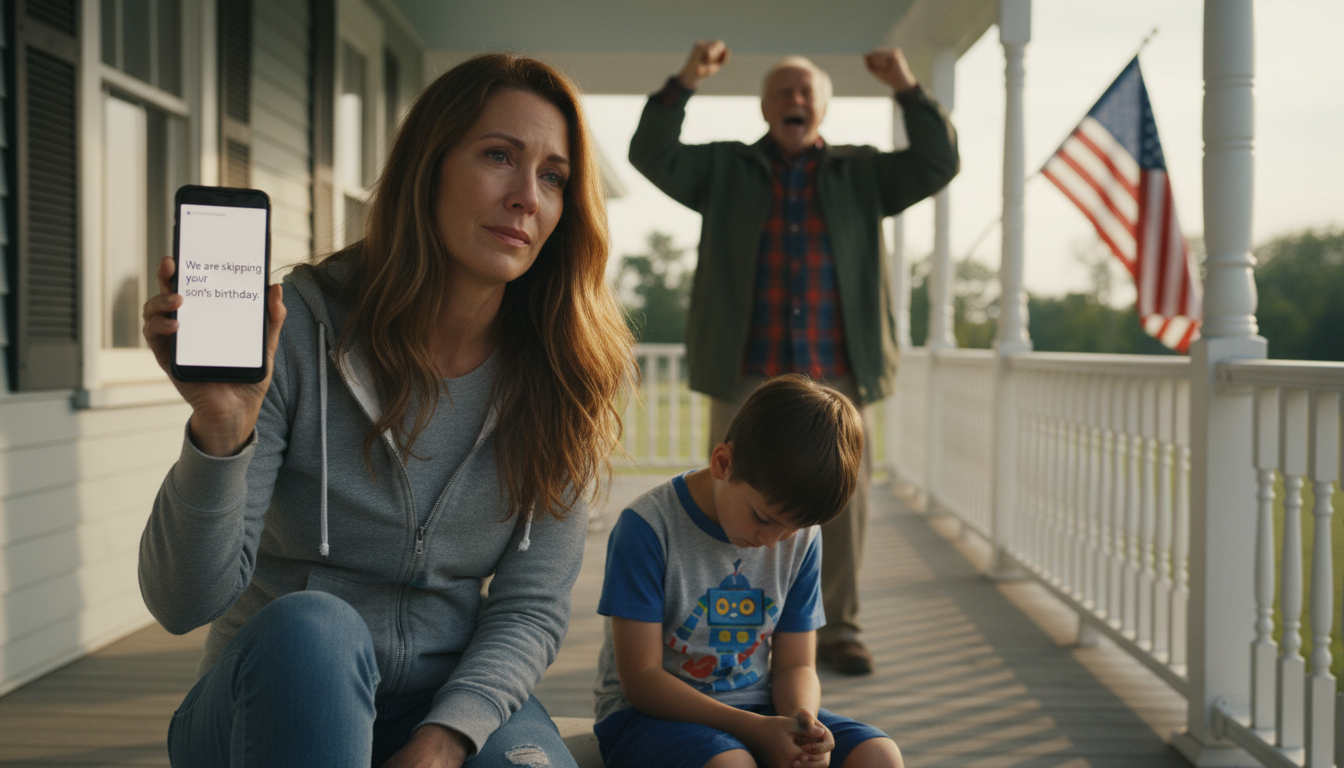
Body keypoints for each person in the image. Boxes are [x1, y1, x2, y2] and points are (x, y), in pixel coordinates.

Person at [139, 54, 634, 768]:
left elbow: (530, 605)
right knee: (316, 628)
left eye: (553, 177)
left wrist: (446, 737)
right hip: (276, 694)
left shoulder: (563, 372)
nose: (527, 196)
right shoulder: (297, 329)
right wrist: (221, 429)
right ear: (427, 168)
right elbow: (182, 602)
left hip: (446, 700)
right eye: (499, 156)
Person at [628, 41, 959, 675]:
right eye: (782, 91)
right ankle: (721, 631)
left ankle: (837, 630)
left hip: (838, 369)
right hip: (744, 368)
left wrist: (907, 88)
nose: (795, 99)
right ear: (764, 107)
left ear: (823, 109)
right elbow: (651, 153)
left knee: (841, 502)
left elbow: (938, 161)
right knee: (730, 494)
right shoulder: (724, 168)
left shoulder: (862, 172)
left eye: (806, 92)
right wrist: (687, 79)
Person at [591, 375, 904, 768]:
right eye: (763, 519)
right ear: (723, 463)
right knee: (732, 764)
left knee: (879, 755)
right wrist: (754, 729)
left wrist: (802, 726)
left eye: (792, 529)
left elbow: (796, 665)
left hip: (759, 706)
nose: (773, 542)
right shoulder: (648, 528)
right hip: (650, 717)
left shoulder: (801, 537)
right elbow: (642, 679)